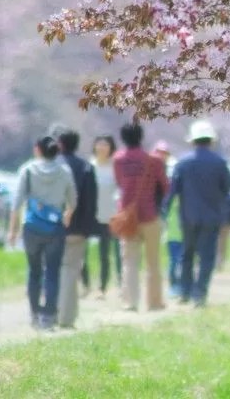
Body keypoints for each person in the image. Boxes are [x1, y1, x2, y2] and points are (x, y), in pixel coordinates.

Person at [7, 137, 77, 329]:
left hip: (31, 227)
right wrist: (67, 215)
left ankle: (35, 313)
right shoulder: (64, 171)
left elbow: (16, 202)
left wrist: (12, 231)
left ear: (38, 150)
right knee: (53, 272)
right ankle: (49, 315)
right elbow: (73, 200)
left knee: (34, 271)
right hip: (55, 228)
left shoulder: (28, 170)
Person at [164, 120, 230, 307]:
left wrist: (163, 211)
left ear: (192, 141)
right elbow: (227, 189)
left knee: (187, 254)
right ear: (211, 141)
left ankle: (185, 291)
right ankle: (199, 294)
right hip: (212, 217)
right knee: (207, 256)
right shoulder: (220, 163)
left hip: (188, 216)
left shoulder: (182, 164)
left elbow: (172, 192)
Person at [114, 122, 169, 312]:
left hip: (128, 216)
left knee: (129, 261)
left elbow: (120, 183)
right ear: (141, 137)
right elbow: (165, 186)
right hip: (150, 214)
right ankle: (154, 302)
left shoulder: (118, 160)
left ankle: (130, 302)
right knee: (153, 262)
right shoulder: (154, 161)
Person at [57, 128, 98, 329]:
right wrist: (87, 229)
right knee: (71, 272)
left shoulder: (53, 166)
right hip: (77, 229)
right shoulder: (86, 168)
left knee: (53, 270)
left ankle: (51, 312)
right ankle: (67, 316)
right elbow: (91, 202)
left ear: (60, 144)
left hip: (52, 228)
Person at [90, 134, 122, 299]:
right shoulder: (90, 166)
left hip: (113, 215)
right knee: (101, 253)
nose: (102, 148)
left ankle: (121, 284)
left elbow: (120, 188)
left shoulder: (115, 166)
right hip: (94, 215)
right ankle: (99, 286)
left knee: (117, 252)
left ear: (111, 148)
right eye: (99, 144)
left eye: (105, 145)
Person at [153, 141, 182, 298]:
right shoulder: (151, 170)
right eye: (159, 152)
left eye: (164, 152)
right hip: (167, 219)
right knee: (173, 256)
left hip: (177, 218)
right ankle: (173, 284)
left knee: (180, 256)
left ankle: (180, 284)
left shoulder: (172, 170)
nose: (161, 155)